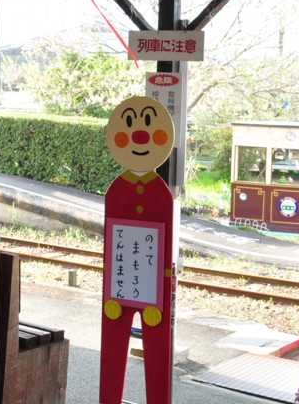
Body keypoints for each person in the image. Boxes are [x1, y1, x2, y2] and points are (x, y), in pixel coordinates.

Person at [100, 96, 177, 404]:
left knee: (158, 359)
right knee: (112, 354)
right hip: (117, 292)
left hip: (154, 294)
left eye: (147, 126)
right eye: (130, 125)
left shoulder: (163, 194)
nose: (139, 135)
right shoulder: (115, 191)